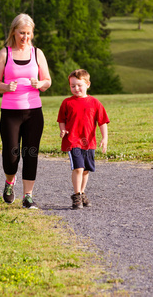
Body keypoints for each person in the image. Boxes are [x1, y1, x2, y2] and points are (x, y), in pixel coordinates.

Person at [0, 13, 51, 209]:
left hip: (34, 111)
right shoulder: (5, 54)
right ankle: (10, 182)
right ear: (14, 32)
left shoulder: (37, 54)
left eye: (28, 33)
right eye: (21, 33)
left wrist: (40, 83)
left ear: (32, 33)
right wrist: (6, 87)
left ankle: (28, 197)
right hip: (10, 112)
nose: (25, 37)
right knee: (11, 155)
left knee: (31, 153)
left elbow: (47, 81)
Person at [57, 69, 110, 209]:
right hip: (73, 141)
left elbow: (102, 122)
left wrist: (104, 138)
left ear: (88, 84)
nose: (76, 88)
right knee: (78, 168)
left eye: (79, 85)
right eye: (72, 86)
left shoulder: (95, 102)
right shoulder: (67, 103)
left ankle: (82, 192)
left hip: (89, 142)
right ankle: (76, 196)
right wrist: (62, 129)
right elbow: (61, 119)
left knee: (86, 170)